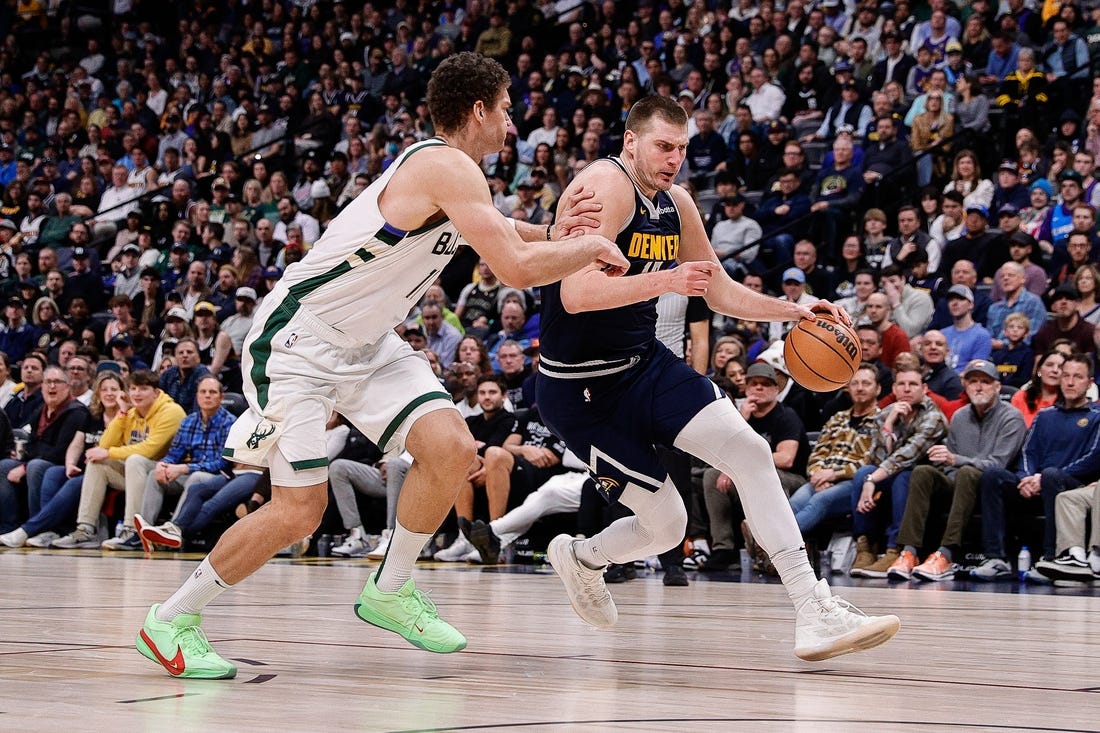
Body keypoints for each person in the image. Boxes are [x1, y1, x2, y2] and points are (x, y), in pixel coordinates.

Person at [136, 53, 628, 679]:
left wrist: (554, 226)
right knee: (299, 510)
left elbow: (502, 229)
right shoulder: (444, 166)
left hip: (366, 344)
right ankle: (171, 618)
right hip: (300, 341)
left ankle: (390, 588)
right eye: (505, 108)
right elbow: (514, 269)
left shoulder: (453, 175)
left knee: (451, 448)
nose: (512, 120)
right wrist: (587, 247)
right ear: (478, 110)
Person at [536, 93, 899, 662]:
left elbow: (717, 285)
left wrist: (795, 312)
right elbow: (576, 295)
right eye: (663, 146)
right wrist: (665, 282)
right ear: (630, 141)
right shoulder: (603, 188)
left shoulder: (676, 201)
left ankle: (814, 608)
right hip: (582, 390)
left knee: (752, 453)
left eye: (682, 148)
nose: (674, 159)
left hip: (644, 364)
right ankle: (582, 558)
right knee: (667, 524)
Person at [885, 360, 1026, 582]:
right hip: (959, 483)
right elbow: (948, 463)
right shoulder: (960, 416)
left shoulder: (1011, 417)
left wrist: (955, 460)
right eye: (973, 382)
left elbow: (998, 464)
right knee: (923, 472)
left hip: (995, 488)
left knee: (967, 472)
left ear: (997, 387)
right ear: (965, 387)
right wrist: (948, 462)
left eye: (985, 382)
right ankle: (909, 552)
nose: (978, 387)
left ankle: (947, 554)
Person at [973, 353, 1100, 579]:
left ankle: (1051, 557)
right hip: (1037, 480)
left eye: (1078, 377)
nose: (1070, 382)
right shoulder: (1045, 415)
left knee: (1052, 476)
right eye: (1066, 376)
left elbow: (1093, 458)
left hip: (1073, 483)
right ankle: (996, 558)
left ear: (1089, 382)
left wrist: (1042, 478)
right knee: (993, 475)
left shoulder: (1095, 416)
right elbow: (1026, 452)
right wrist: (1027, 477)